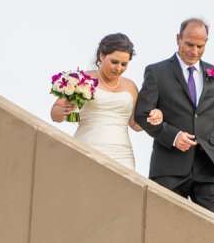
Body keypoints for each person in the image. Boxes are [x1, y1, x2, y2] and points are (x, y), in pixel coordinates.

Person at [134, 17, 214, 214]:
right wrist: (173, 136)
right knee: (165, 227)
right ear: (178, 39)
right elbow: (141, 114)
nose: (194, 51)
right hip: (168, 168)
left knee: (211, 231)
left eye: (200, 46)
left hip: (207, 167)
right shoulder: (157, 72)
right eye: (189, 44)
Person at [51, 32, 146, 172]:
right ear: (102, 55)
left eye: (124, 64)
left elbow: (136, 124)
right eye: (114, 62)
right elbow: (55, 115)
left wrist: (154, 115)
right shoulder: (82, 79)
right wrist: (64, 111)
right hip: (88, 147)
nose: (119, 68)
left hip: (123, 155)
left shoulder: (131, 86)